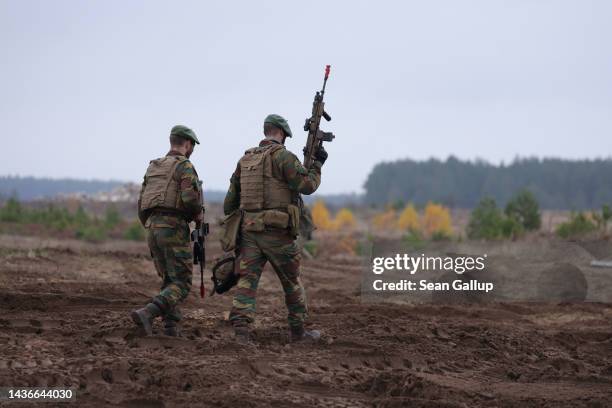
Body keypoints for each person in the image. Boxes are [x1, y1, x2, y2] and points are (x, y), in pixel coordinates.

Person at [223, 114, 328, 344]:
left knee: (246, 282)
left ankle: (241, 333)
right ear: (281, 134)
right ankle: (299, 333)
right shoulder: (283, 157)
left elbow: (229, 203)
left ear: (266, 132)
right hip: (278, 232)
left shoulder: (245, 159)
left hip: (249, 232)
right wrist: (318, 164)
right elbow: (307, 186)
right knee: (292, 281)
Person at [131, 125, 204, 336]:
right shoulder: (185, 166)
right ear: (187, 144)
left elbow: (141, 202)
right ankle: (148, 312)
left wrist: (152, 223)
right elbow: (190, 200)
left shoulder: (154, 167)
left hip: (152, 226)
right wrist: (197, 215)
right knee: (181, 283)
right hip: (172, 227)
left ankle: (171, 326)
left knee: (169, 280)